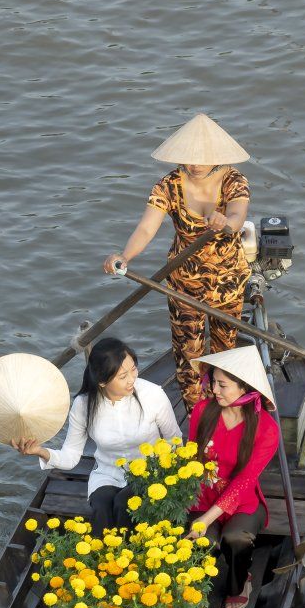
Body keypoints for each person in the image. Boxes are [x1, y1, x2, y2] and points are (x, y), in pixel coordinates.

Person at [103, 114, 253, 407]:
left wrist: (225, 222)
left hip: (228, 280)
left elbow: (237, 216)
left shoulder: (234, 180)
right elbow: (146, 228)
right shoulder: (167, 185)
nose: (194, 164)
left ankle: (225, 408)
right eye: (188, 157)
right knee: (188, 353)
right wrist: (124, 255)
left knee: (225, 349)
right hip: (184, 281)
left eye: (201, 158)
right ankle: (196, 415)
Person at [13, 338, 180, 530]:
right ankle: (105, 549)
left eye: (133, 369)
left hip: (150, 471)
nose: (132, 379)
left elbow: (174, 439)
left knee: (124, 503)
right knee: (101, 504)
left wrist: (169, 478)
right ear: (102, 381)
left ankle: (131, 548)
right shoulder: (83, 405)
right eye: (122, 376)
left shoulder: (152, 394)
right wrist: (40, 451)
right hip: (109, 472)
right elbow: (71, 456)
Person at [185, 347, 281, 608]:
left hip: (242, 502)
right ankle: (194, 589)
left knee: (235, 538)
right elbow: (190, 457)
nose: (214, 390)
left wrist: (206, 520)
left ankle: (240, 584)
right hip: (203, 496)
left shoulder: (267, 429)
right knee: (204, 543)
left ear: (244, 388)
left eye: (223, 385)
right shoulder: (203, 410)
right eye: (213, 382)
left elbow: (244, 482)